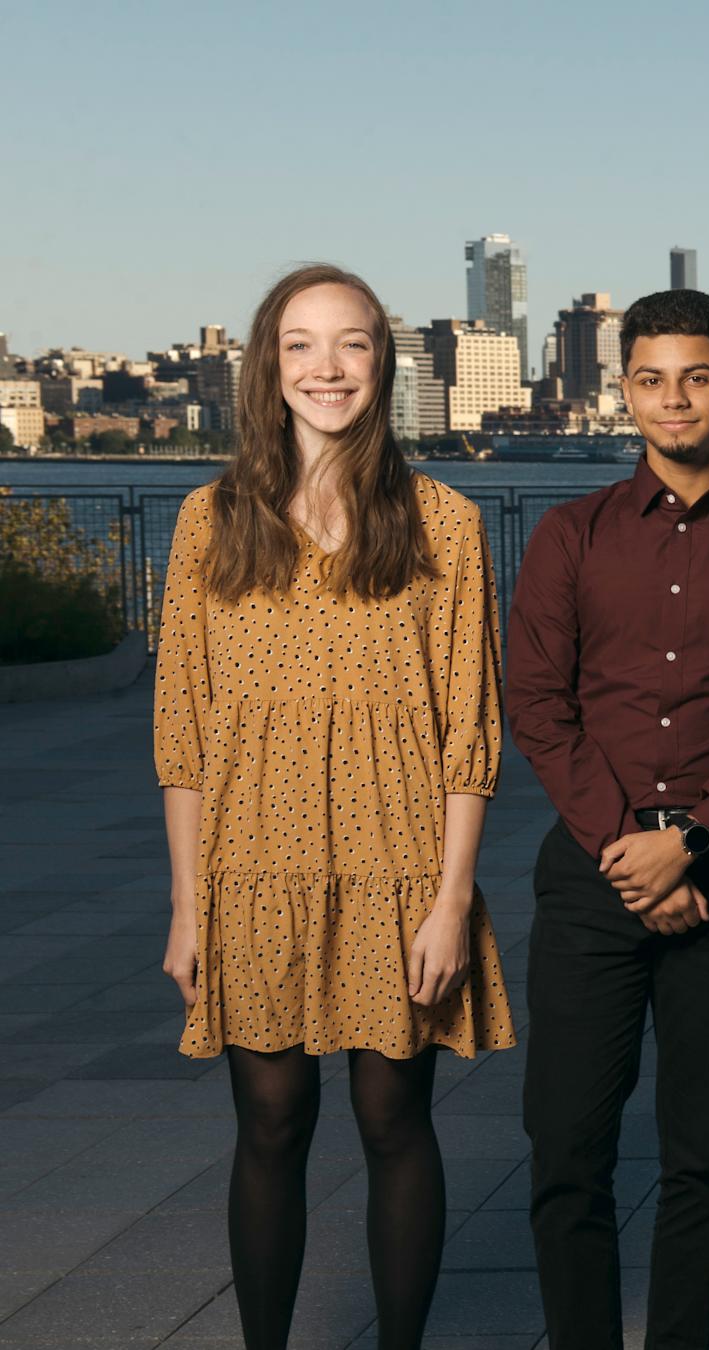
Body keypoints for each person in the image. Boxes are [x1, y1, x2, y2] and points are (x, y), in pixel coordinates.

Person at [155, 263, 514, 1349]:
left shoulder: (441, 522)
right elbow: (184, 732)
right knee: (268, 1123)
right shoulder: (206, 521)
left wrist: (451, 903)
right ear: (266, 367)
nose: (326, 367)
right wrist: (187, 906)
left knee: (392, 1119)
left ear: (383, 364)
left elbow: (469, 732)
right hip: (250, 862)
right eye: (300, 344)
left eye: (351, 344)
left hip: (399, 864)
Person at [506, 289, 709, 1349]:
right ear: (624, 394)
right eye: (651, 379)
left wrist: (688, 842)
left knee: (705, 1157)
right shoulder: (570, 537)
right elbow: (537, 707)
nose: (674, 398)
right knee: (566, 1151)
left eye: (697, 377)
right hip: (591, 880)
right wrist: (627, 852)